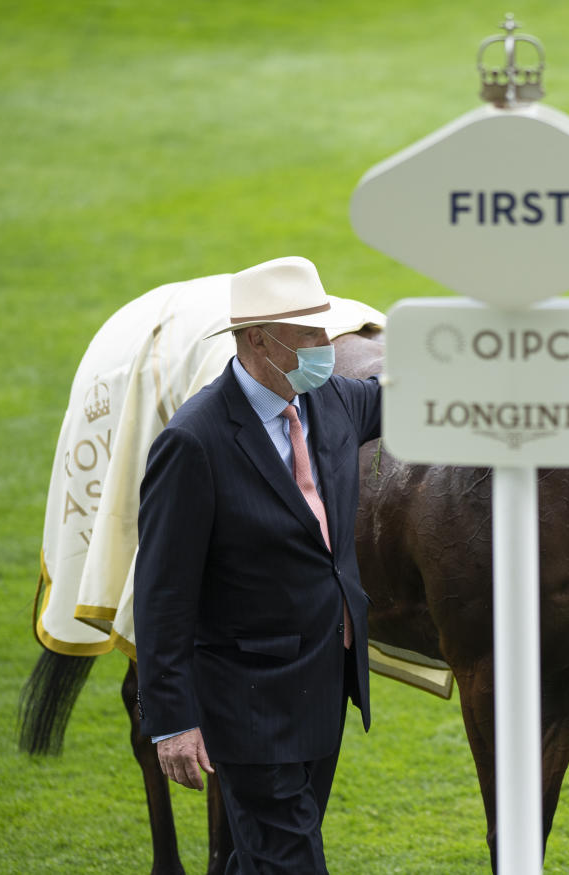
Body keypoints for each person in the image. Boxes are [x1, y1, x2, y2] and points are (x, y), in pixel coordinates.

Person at [133, 255, 382, 874]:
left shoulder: (328, 401)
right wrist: (172, 722)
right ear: (257, 340)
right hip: (247, 707)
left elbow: (404, 402)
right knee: (290, 862)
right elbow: (162, 595)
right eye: (308, 337)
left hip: (324, 689)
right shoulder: (195, 442)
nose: (325, 348)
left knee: (261, 859)